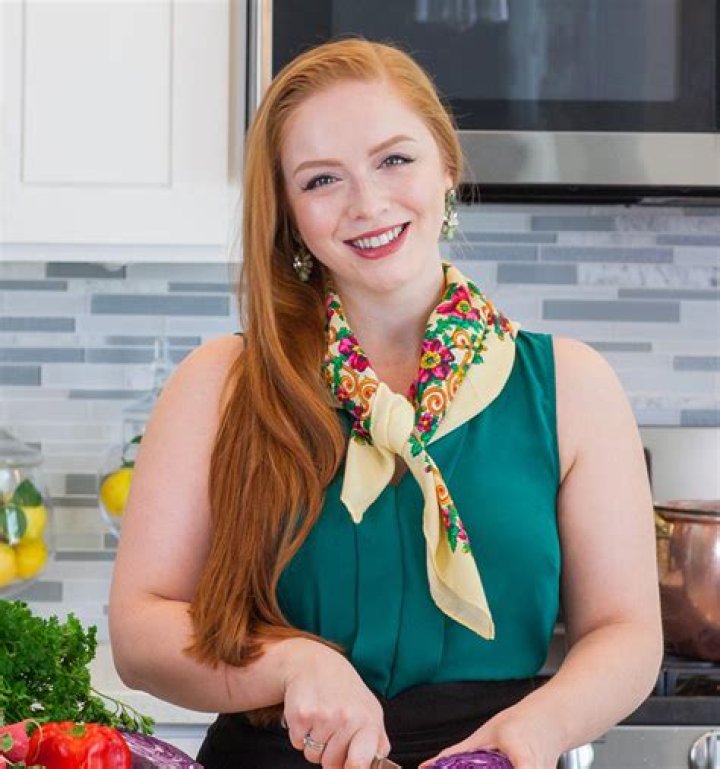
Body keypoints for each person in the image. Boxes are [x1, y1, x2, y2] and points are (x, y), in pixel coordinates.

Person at [109, 38, 663, 769]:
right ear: (288, 212)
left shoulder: (572, 387)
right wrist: (292, 664)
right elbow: (139, 630)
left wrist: (536, 730)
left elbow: (626, 632)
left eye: (394, 159)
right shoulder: (219, 384)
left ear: (447, 166)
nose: (367, 204)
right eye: (321, 179)